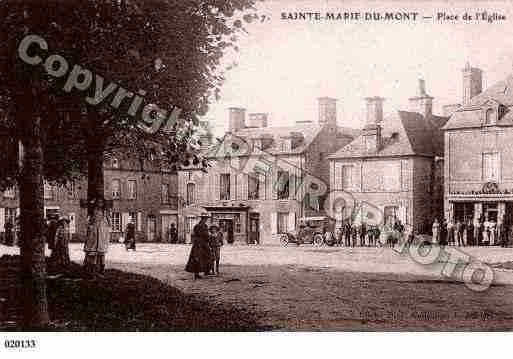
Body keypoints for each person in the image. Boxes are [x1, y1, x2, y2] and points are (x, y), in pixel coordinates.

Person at [185, 213, 212, 279]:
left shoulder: (199, 225)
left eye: (206, 218)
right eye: (205, 218)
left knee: (199, 258)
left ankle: (200, 272)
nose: (206, 220)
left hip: (198, 243)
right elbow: (205, 235)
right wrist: (209, 238)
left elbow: (195, 234)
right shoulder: (202, 226)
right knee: (203, 257)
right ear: (203, 218)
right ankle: (203, 272)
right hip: (201, 244)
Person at [84, 210, 111, 275]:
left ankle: (101, 270)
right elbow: (88, 226)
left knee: (101, 255)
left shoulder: (103, 224)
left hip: (101, 241)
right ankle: (92, 270)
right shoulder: (92, 225)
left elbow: (108, 226)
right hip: (93, 242)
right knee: (93, 255)